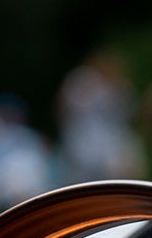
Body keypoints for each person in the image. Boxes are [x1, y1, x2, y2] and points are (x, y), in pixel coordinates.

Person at [56, 50, 141, 182]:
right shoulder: (82, 79)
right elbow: (63, 106)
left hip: (111, 144)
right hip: (83, 143)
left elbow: (129, 114)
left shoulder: (119, 86)